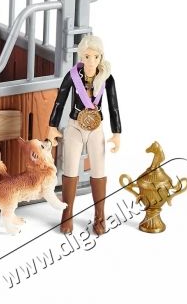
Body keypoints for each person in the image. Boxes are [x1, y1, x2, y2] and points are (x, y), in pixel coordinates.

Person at [47, 35, 121, 235]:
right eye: (87, 56)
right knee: (70, 169)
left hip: (96, 129)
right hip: (75, 126)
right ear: (81, 56)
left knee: (99, 170)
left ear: (101, 57)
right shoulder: (73, 75)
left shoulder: (107, 78)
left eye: (95, 57)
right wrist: (52, 126)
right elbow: (60, 101)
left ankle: (100, 215)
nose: (91, 61)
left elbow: (113, 107)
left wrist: (117, 132)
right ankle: (67, 213)